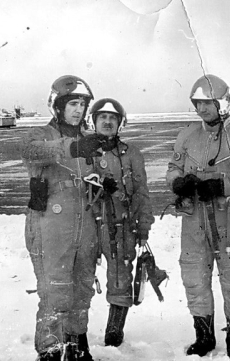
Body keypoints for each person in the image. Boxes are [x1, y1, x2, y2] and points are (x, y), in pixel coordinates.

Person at [166, 74, 230, 361]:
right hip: (195, 219)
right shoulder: (187, 135)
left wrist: (225, 185)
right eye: (198, 103)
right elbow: (172, 168)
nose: (203, 109)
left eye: (208, 103)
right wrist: (177, 182)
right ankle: (204, 336)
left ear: (222, 103)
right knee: (194, 277)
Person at [21, 75, 106, 361]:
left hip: (84, 223)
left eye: (82, 104)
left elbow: (96, 171)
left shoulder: (88, 140)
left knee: (82, 288)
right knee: (56, 290)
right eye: (72, 103)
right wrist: (69, 148)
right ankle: (50, 350)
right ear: (58, 106)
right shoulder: (42, 135)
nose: (78, 109)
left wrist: (104, 185)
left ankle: (77, 345)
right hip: (51, 225)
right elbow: (30, 152)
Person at [87, 98, 154, 348]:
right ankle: (75, 334)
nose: (107, 122)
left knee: (120, 278)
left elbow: (141, 192)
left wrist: (144, 225)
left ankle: (114, 332)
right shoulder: (80, 152)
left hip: (120, 226)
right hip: (88, 225)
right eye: (101, 117)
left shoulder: (132, 154)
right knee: (82, 278)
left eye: (112, 118)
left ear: (119, 123)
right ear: (93, 122)